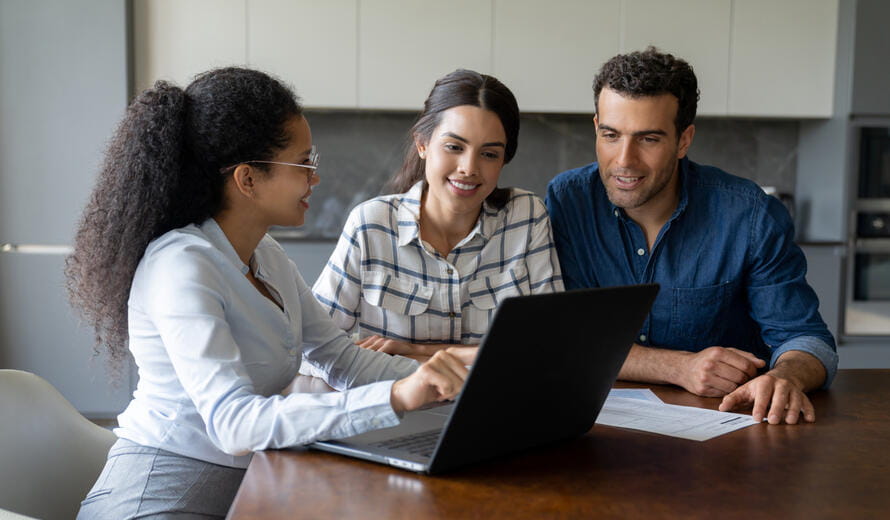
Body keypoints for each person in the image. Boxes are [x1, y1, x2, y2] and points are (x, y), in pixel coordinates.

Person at [66, 67, 467, 519]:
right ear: (248, 179)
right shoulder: (181, 266)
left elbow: (343, 358)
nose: (315, 179)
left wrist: (450, 382)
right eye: (304, 163)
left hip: (245, 487)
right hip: (159, 496)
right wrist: (396, 397)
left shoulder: (266, 255)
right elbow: (233, 425)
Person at [545, 47, 837, 425]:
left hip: (727, 433)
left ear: (684, 140)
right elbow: (568, 339)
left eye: (648, 139)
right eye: (611, 135)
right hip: (597, 432)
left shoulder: (749, 215)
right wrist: (678, 367)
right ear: (596, 126)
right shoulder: (568, 202)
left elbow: (807, 339)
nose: (624, 160)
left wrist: (785, 377)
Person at [311, 69, 563, 365]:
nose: (469, 168)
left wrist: (419, 351)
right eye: (454, 147)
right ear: (422, 144)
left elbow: (553, 344)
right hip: (397, 407)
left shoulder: (527, 216)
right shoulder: (371, 224)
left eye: (489, 154)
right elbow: (314, 347)